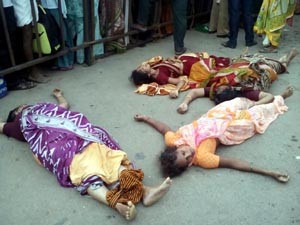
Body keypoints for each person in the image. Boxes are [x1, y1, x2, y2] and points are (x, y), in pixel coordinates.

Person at [0, 89, 172, 221]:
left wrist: (59, 95)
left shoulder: (46, 109)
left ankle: (144, 191)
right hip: (60, 146)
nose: (24, 107)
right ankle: (118, 203)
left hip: (82, 136)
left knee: (107, 158)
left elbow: (63, 108)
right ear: (16, 115)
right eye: (19, 108)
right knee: (84, 169)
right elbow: (2, 126)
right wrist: (18, 118)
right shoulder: (20, 124)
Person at [134, 87, 293, 181]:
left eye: (183, 153)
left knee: (238, 100)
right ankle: (280, 98)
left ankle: (260, 97)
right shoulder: (202, 158)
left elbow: (163, 128)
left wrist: (146, 118)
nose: (190, 154)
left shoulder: (174, 141)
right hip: (231, 127)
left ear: (174, 150)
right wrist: (269, 172)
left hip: (214, 115)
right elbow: (233, 163)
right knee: (258, 113)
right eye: (188, 160)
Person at [130, 52, 231, 98]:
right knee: (218, 70)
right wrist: (176, 90)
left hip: (184, 61)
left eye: (141, 66)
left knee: (213, 61)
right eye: (142, 68)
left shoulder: (152, 67)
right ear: (147, 75)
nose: (143, 65)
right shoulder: (160, 77)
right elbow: (181, 81)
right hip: (191, 68)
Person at [177, 86, 292, 114]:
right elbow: (195, 92)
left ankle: (285, 61)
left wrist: (255, 104)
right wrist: (185, 103)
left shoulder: (244, 90)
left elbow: (269, 97)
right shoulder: (220, 90)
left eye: (221, 87)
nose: (219, 86)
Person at [11, 0, 50, 83]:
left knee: (30, 30)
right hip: (20, 3)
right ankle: (32, 71)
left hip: (27, 3)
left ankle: (32, 68)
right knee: (26, 32)